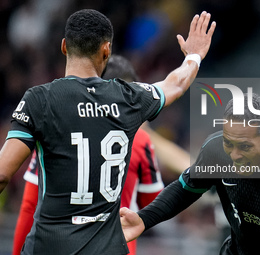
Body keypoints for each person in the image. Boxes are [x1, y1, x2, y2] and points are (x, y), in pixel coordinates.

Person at [0, 9, 216, 255]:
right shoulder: (128, 98)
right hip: (108, 248)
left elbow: (2, 175)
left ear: (63, 47)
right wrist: (194, 56)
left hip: (49, 246)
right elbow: (175, 84)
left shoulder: (39, 100)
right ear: (106, 50)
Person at [120, 93, 260, 255]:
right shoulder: (216, 151)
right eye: (228, 143)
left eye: (245, 146)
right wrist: (144, 219)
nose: (235, 155)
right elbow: (185, 189)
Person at [12, 55, 166, 255]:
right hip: (116, 246)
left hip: (59, 245)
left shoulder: (52, 130)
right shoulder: (142, 140)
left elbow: (30, 205)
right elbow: (152, 202)